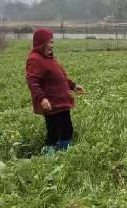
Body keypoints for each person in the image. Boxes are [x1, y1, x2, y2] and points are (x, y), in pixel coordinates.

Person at [25, 27, 85, 155]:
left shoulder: (49, 58)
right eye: (50, 42)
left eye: (53, 42)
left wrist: (73, 86)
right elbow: (32, 81)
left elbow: (60, 78)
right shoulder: (35, 59)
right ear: (42, 42)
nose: (52, 45)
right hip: (51, 103)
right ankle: (49, 154)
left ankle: (65, 149)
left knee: (67, 128)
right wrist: (42, 98)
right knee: (53, 130)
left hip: (62, 102)